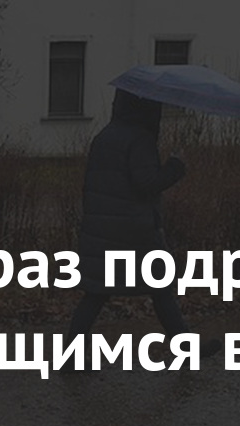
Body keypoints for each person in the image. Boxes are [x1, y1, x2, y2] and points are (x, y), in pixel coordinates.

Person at [69, 88, 221, 357]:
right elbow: (147, 184)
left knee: (96, 292)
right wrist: (175, 166)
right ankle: (186, 349)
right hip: (134, 232)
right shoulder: (140, 139)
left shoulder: (104, 136)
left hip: (103, 229)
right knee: (160, 288)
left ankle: (70, 357)